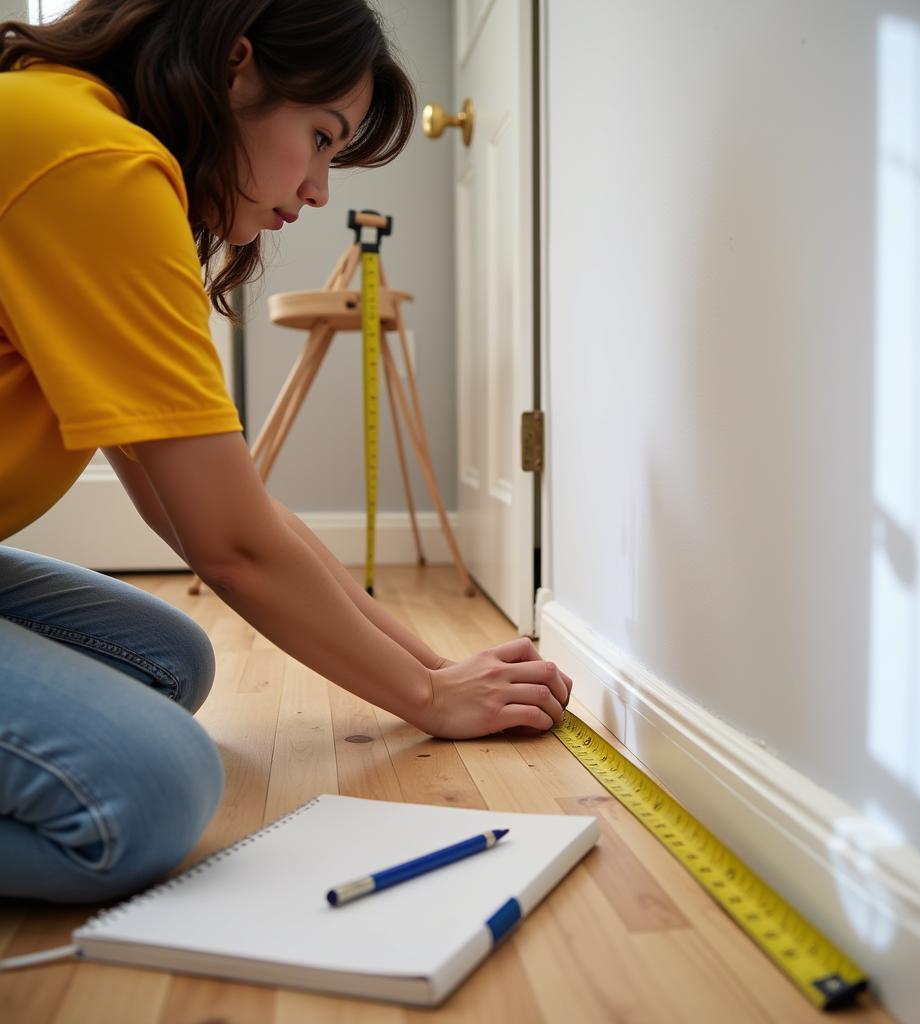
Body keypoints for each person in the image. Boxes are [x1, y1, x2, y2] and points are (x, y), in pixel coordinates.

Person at [0, 0, 571, 904]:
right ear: (236, 67)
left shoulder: (73, 129)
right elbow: (232, 547)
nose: (316, 190)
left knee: (167, 662)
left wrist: (433, 669)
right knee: (146, 794)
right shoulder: (94, 163)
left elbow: (210, 509)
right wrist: (426, 704)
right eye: (320, 137)